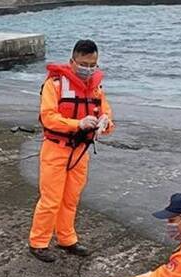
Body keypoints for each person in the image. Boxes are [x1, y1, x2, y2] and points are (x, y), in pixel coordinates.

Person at [28, 39, 114, 263]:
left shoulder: (95, 87)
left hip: (80, 151)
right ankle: (38, 242)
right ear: (72, 61)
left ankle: (67, 239)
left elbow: (105, 112)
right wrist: (77, 124)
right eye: (83, 64)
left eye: (92, 65)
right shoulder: (54, 84)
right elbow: (48, 117)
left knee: (71, 198)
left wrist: (105, 122)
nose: (88, 69)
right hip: (56, 149)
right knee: (51, 199)